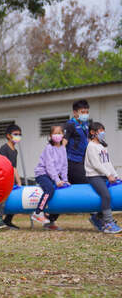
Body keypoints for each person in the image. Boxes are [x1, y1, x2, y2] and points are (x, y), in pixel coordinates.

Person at [64, 100, 102, 230]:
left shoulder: (86, 125)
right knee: (89, 185)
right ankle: (96, 216)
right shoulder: (70, 125)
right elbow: (63, 144)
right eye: (82, 112)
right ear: (75, 113)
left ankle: (50, 217)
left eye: (87, 112)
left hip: (83, 161)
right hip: (71, 162)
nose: (85, 114)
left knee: (67, 191)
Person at [0, 124, 34, 229]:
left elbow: (14, 167)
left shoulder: (15, 151)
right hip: (3, 177)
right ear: (8, 136)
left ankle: (8, 220)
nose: (18, 136)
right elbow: (3, 165)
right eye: (15, 134)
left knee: (25, 187)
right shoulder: (4, 148)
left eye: (20, 135)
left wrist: (19, 182)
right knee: (3, 197)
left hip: (10, 177)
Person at [85, 122, 121, 234]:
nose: (102, 133)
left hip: (104, 175)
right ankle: (108, 224)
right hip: (94, 176)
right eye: (100, 131)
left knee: (110, 197)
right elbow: (96, 164)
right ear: (92, 132)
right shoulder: (91, 146)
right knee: (105, 195)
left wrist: (115, 175)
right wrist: (108, 175)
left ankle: (97, 217)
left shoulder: (101, 146)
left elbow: (107, 163)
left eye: (103, 130)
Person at [31, 125, 68, 230]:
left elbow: (65, 166)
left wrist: (64, 180)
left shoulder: (63, 149)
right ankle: (38, 212)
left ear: (63, 134)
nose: (57, 135)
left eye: (59, 133)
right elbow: (50, 166)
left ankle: (50, 221)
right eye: (55, 133)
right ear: (50, 136)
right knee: (50, 189)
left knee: (60, 192)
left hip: (54, 176)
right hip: (42, 174)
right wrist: (57, 180)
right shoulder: (49, 148)